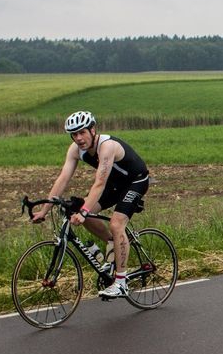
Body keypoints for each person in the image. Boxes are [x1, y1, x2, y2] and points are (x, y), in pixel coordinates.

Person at [31, 110, 151, 299]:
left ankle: (121, 283)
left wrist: (85, 211)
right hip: (114, 185)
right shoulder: (75, 150)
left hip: (135, 182)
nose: (78, 138)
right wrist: (44, 210)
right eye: (74, 134)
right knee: (81, 212)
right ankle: (112, 245)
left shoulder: (107, 146)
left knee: (116, 224)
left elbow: (99, 183)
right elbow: (63, 179)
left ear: (92, 130)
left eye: (82, 132)